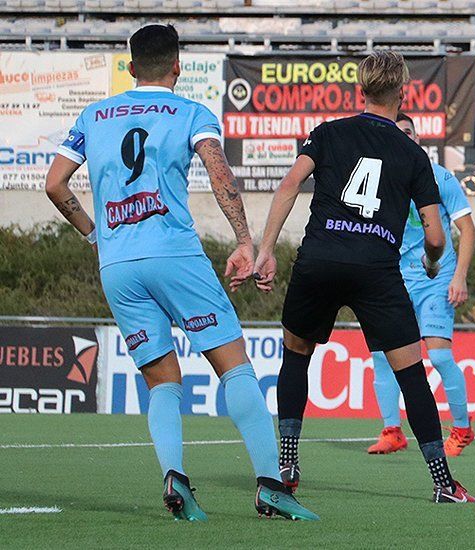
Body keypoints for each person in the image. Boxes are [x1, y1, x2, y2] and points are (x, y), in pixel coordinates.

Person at [44, 24, 316, 521]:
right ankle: (271, 487)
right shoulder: (190, 112)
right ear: (177, 66)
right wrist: (243, 241)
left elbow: (54, 183)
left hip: (118, 265)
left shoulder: (93, 114)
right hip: (174, 255)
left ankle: (175, 478)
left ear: (130, 69)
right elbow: (220, 175)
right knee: (235, 366)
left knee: (161, 380)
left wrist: (92, 233)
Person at [253, 51, 475, 504]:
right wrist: (434, 262)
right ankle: (441, 483)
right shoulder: (413, 154)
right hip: (376, 269)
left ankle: (287, 463)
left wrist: (265, 248)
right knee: (412, 374)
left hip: (319, 259)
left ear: (361, 91)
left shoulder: (329, 132)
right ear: (402, 93)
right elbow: (436, 234)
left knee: (296, 356)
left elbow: (288, 185)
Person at [367, 113, 475, 457]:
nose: (403, 137)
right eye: (396, 133)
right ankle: (392, 431)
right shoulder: (379, 182)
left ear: (417, 139)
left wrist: (459, 276)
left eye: (408, 132)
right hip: (395, 279)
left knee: (440, 357)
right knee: (383, 357)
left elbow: (468, 230)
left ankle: (461, 430)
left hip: (437, 277)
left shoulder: (439, 177)